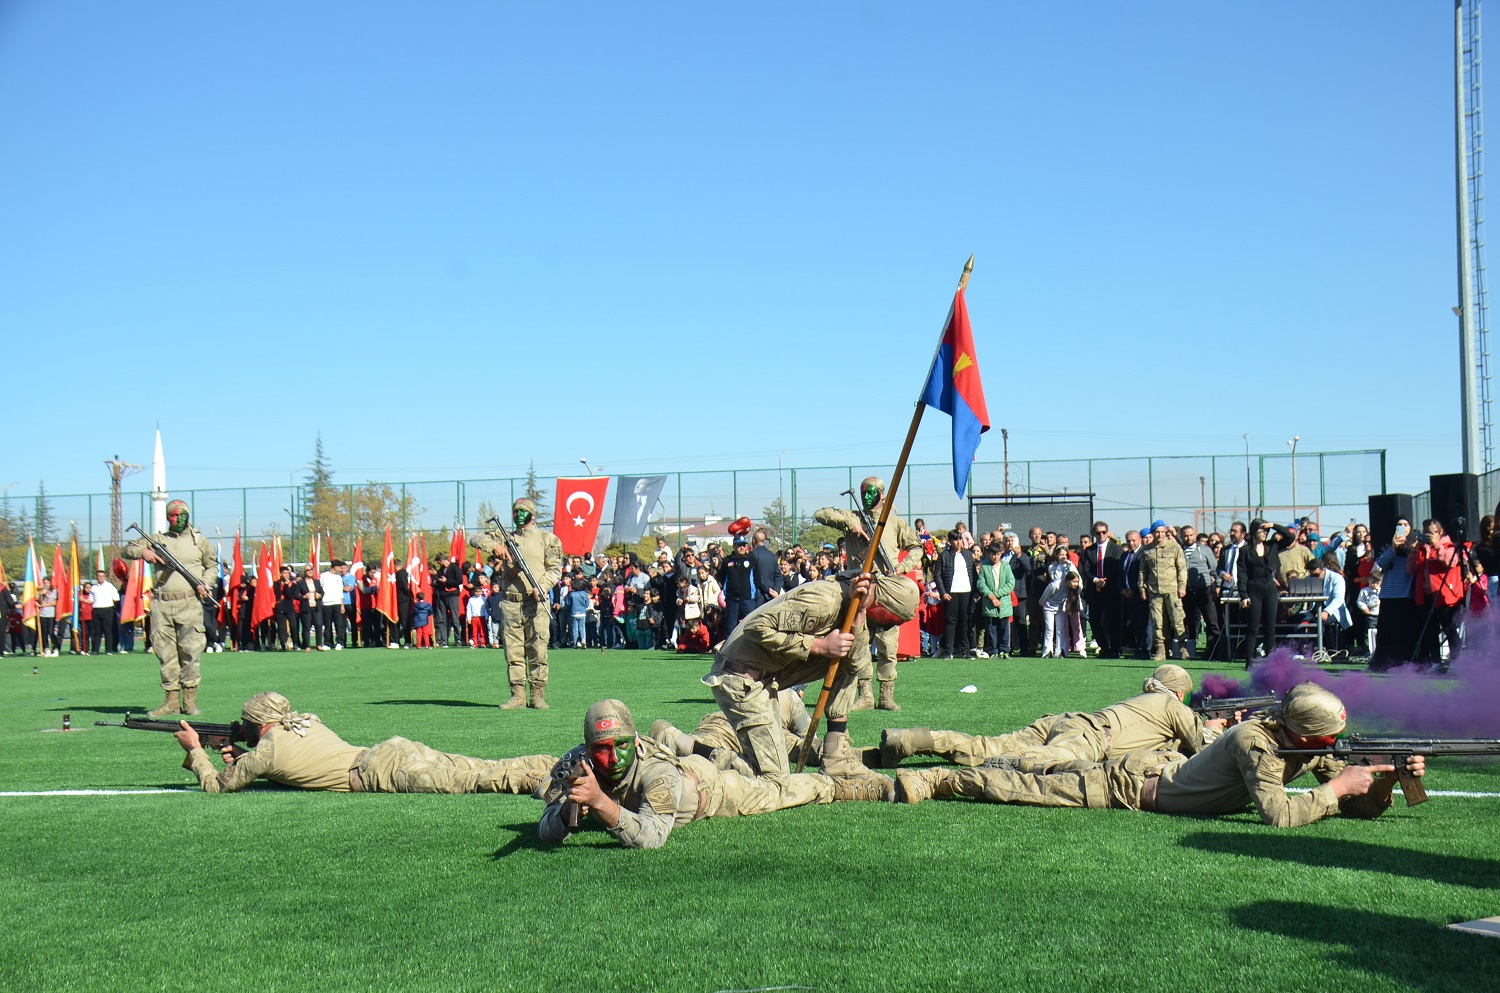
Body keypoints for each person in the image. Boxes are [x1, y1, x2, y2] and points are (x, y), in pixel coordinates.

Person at [895, 682, 1426, 830]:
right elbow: (1279, 816)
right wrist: (1336, 788)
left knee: (1006, 757)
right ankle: (927, 777)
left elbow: (1357, 803)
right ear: (1305, 735)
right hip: (1128, 785)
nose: (1332, 751)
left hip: (1134, 762)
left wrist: (1378, 782)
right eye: (1328, 742)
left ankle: (910, 747)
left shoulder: (1303, 747)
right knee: (1006, 776)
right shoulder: (1256, 742)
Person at [536, 700, 892, 850]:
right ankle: (712, 750)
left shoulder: (656, 772)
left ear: (635, 739)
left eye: (622, 744)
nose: (613, 757)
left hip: (709, 788)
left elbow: (653, 837)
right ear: (587, 748)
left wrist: (599, 801)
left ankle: (853, 786)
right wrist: (570, 815)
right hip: (693, 765)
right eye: (602, 749)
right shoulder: (577, 765)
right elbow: (545, 828)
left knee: (782, 790)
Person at [701, 571, 919, 778]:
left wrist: (860, 614)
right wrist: (820, 646)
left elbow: (856, 665)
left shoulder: (858, 611)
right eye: (894, 620)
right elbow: (757, 627)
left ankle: (836, 756)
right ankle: (692, 751)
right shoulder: (825, 602)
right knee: (775, 778)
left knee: (849, 657)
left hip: (767, 680)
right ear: (882, 604)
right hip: (739, 678)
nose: (893, 626)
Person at [173, 691, 555, 794]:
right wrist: (246, 755)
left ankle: (534, 779)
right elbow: (294, 761)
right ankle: (550, 760)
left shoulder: (268, 751)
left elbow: (216, 785)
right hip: (390, 750)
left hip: (377, 771)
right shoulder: (305, 721)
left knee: (469, 781)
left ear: (258, 724)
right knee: (476, 763)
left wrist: (195, 750)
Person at [877, 664, 1219, 768]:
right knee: (1029, 762)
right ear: (1178, 692)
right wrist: (1216, 729)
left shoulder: (1146, 698)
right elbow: (1206, 753)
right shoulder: (1173, 706)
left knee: (986, 744)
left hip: (1067, 721)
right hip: (1091, 738)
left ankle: (912, 739)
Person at [815, 478, 923, 709]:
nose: (867, 497)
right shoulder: (852, 517)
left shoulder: (894, 523)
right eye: (864, 492)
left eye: (872, 492)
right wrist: (849, 521)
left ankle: (886, 696)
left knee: (888, 646)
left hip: (885, 588)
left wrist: (903, 567)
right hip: (860, 587)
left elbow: (917, 547)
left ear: (883, 495)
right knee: (860, 644)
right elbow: (821, 514)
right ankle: (865, 696)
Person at [123, 499, 218, 718]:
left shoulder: (200, 541)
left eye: (182, 514)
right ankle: (171, 702)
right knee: (165, 654)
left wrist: (205, 582)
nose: (178, 519)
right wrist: (143, 553)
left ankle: (190, 701)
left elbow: (212, 566)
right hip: (161, 603)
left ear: (188, 516)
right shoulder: (156, 540)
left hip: (189, 602)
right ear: (168, 517)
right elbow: (127, 549)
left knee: (190, 652)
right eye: (173, 515)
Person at [471, 497, 565, 710]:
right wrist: (494, 545)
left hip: (536, 602)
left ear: (532, 514)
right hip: (511, 602)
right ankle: (517, 695)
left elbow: (554, 569)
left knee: (538, 649)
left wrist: (542, 586)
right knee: (513, 651)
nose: (518, 515)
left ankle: (537, 695)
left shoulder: (548, 539)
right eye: (516, 511)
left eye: (523, 511)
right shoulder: (505, 537)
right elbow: (475, 538)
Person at [1408, 518, 1467, 670]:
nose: (1430, 535)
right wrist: (1414, 549)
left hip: (1444, 594)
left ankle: (1456, 661)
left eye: (1433, 532)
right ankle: (1435, 661)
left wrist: (1436, 545)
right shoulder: (1422, 549)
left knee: (1449, 628)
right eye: (1427, 532)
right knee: (1430, 630)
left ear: (1441, 532)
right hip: (1425, 594)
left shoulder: (1449, 546)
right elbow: (1412, 569)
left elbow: (1450, 562)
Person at [1241, 519, 1294, 664]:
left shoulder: (1272, 546)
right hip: (1253, 588)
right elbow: (1242, 574)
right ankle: (1249, 660)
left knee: (1270, 627)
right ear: (1253, 532)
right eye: (1261, 530)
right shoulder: (1245, 550)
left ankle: (1272, 661)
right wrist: (1243, 595)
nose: (1264, 533)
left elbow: (1290, 538)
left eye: (1266, 531)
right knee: (1252, 627)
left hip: (1270, 587)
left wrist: (1274, 525)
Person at [1139, 520, 1188, 661]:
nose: (1160, 535)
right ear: (1153, 533)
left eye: (1162, 532)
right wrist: (1141, 588)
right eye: (1157, 532)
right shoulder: (1147, 550)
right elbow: (1143, 571)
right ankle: (1161, 650)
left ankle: (1183, 648)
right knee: (1157, 622)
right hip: (1154, 591)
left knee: (1177, 620)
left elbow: (1182, 568)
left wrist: (1182, 586)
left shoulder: (1174, 547)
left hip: (1172, 590)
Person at [1080, 521, 1123, 658]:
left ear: (1107, 532)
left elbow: (1116, 568)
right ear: (1094, 534)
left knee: (1113, 621)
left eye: (1103, 532)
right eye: (1098, 533)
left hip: (1111, 590)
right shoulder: (1089, 550)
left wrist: (1104, 580)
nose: (1101, 535)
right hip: (1095, 591)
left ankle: (1114, 649)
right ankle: (1104, 647)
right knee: (1094, 620)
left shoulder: (1116, 549)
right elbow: (1086, 569)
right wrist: (1095, 580)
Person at [935, 527, 978, 659]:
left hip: (966, 591)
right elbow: (937, 575)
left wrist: (975, 592)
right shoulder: (944, 555)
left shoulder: (967, 555)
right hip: (951, 592)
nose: (958, 542)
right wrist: (943, 592)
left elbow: (974, 574)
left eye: (959, 538)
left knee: (965, 621)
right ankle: (948, 651)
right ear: (950, 541)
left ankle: (966, 651)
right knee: (950, 622)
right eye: (955, 539)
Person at [1179, 525, 1220, 660]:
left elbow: (1214, 569)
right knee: (1189, 623)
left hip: (1204, 590)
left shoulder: (1205, 550)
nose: (1188, 538)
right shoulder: (1179, 551)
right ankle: (1190, 652)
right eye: (1185, 535)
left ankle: (1215, 651)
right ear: (1181, 536)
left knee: (1211, 622)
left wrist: (1217, 585)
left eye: (1191, 535)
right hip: (1187, 592)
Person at [975, 542, 1016, 658]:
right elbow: (981, 583)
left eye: (998, 554)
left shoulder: (1006, 567)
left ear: (1001, 554)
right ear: (988, 554)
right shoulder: (985, 567)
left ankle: (1004, 650)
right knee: (991, 628)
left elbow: (1010, 583)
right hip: (989, 603)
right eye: (993, 554)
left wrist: (997, 595)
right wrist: (991, 596)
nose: (995, 557)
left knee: (1004, 628)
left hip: (1004, 603)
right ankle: (993, 650)